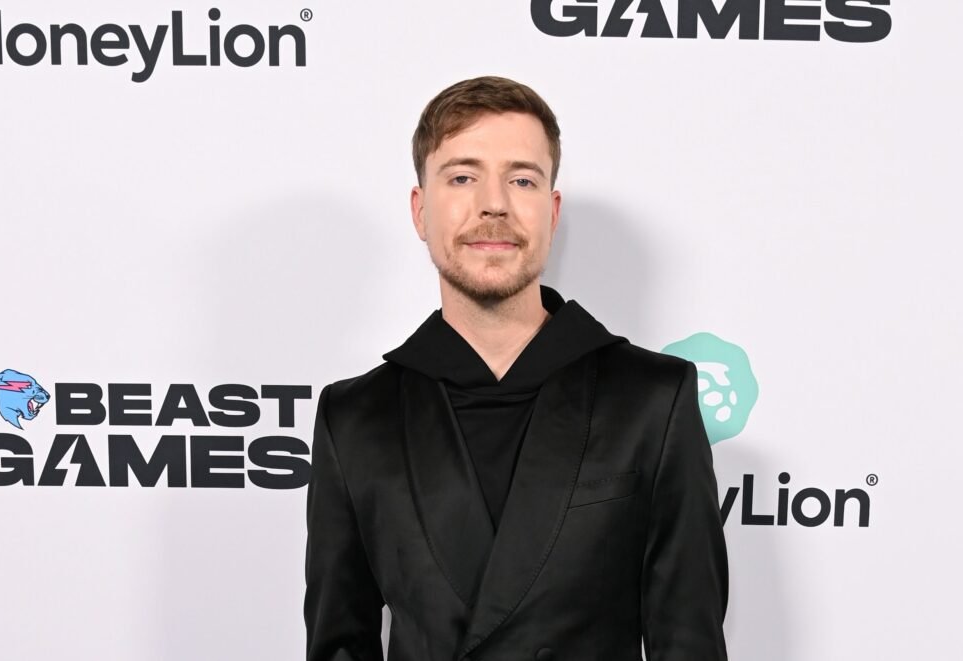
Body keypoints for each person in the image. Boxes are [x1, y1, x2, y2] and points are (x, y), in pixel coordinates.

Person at [304, 75, 728, 661]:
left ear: (551, 212)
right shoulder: (354, 418)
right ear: (420, 211)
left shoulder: (654, 400)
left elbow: (690, 644)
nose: (494, 203)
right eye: (462, 177)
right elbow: (339, 646)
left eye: (522, 179)